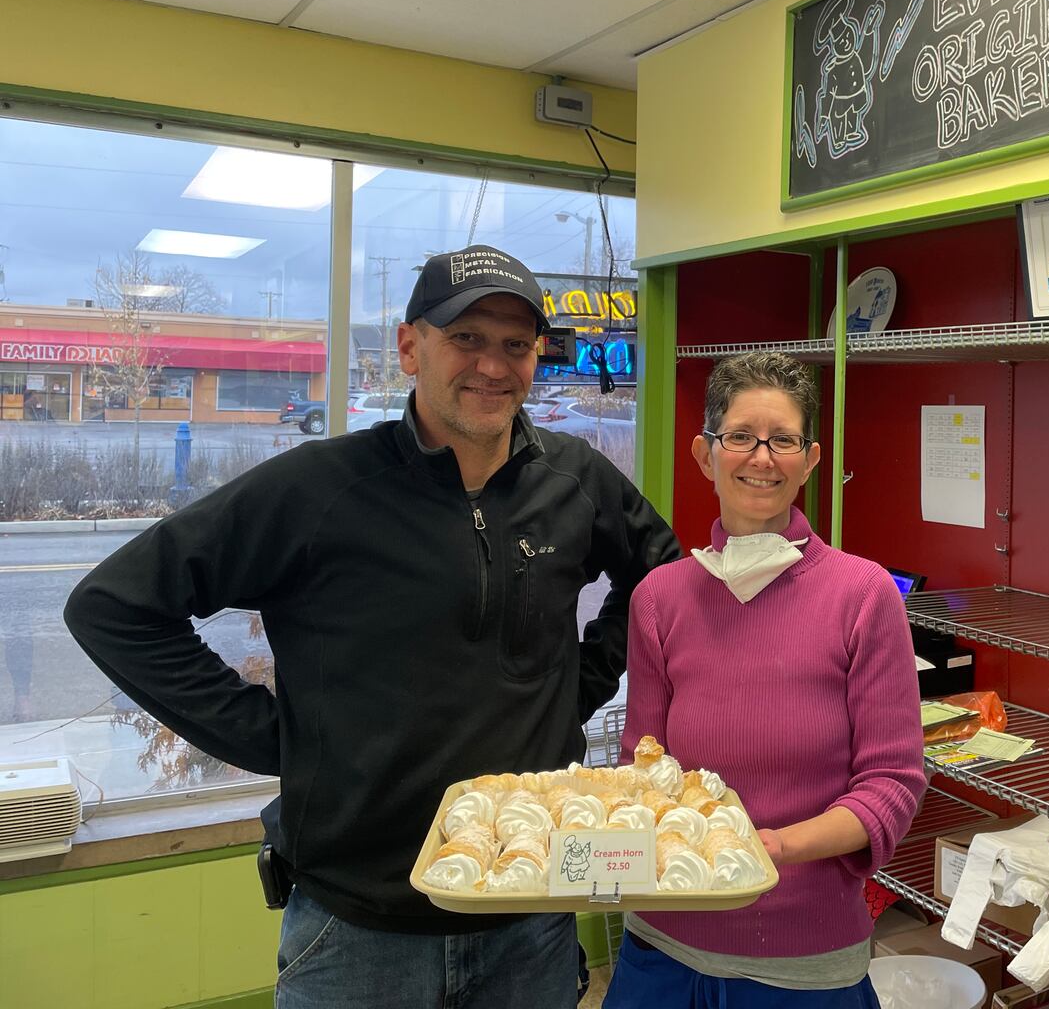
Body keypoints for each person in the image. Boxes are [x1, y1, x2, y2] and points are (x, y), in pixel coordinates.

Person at [64, 245, 680, 1009]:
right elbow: (115, 606)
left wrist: (579, 687)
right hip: (357, 933)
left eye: (515, 346)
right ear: (409, 346)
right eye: (468, 338)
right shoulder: (318, 489)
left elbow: (662, 574)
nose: (493, 366)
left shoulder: (575, 478)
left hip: (529, 914)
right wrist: (265, 735)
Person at [606, 351, 927, 1008]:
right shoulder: (661, 598)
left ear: (810, 459)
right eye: (741, 437)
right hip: (662, 944)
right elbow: (640, 764)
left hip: (802, 957)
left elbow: (891, 784)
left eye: (783, 440)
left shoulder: (862, 596)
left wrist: (774, 846)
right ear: (705, 454)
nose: (761, 458)